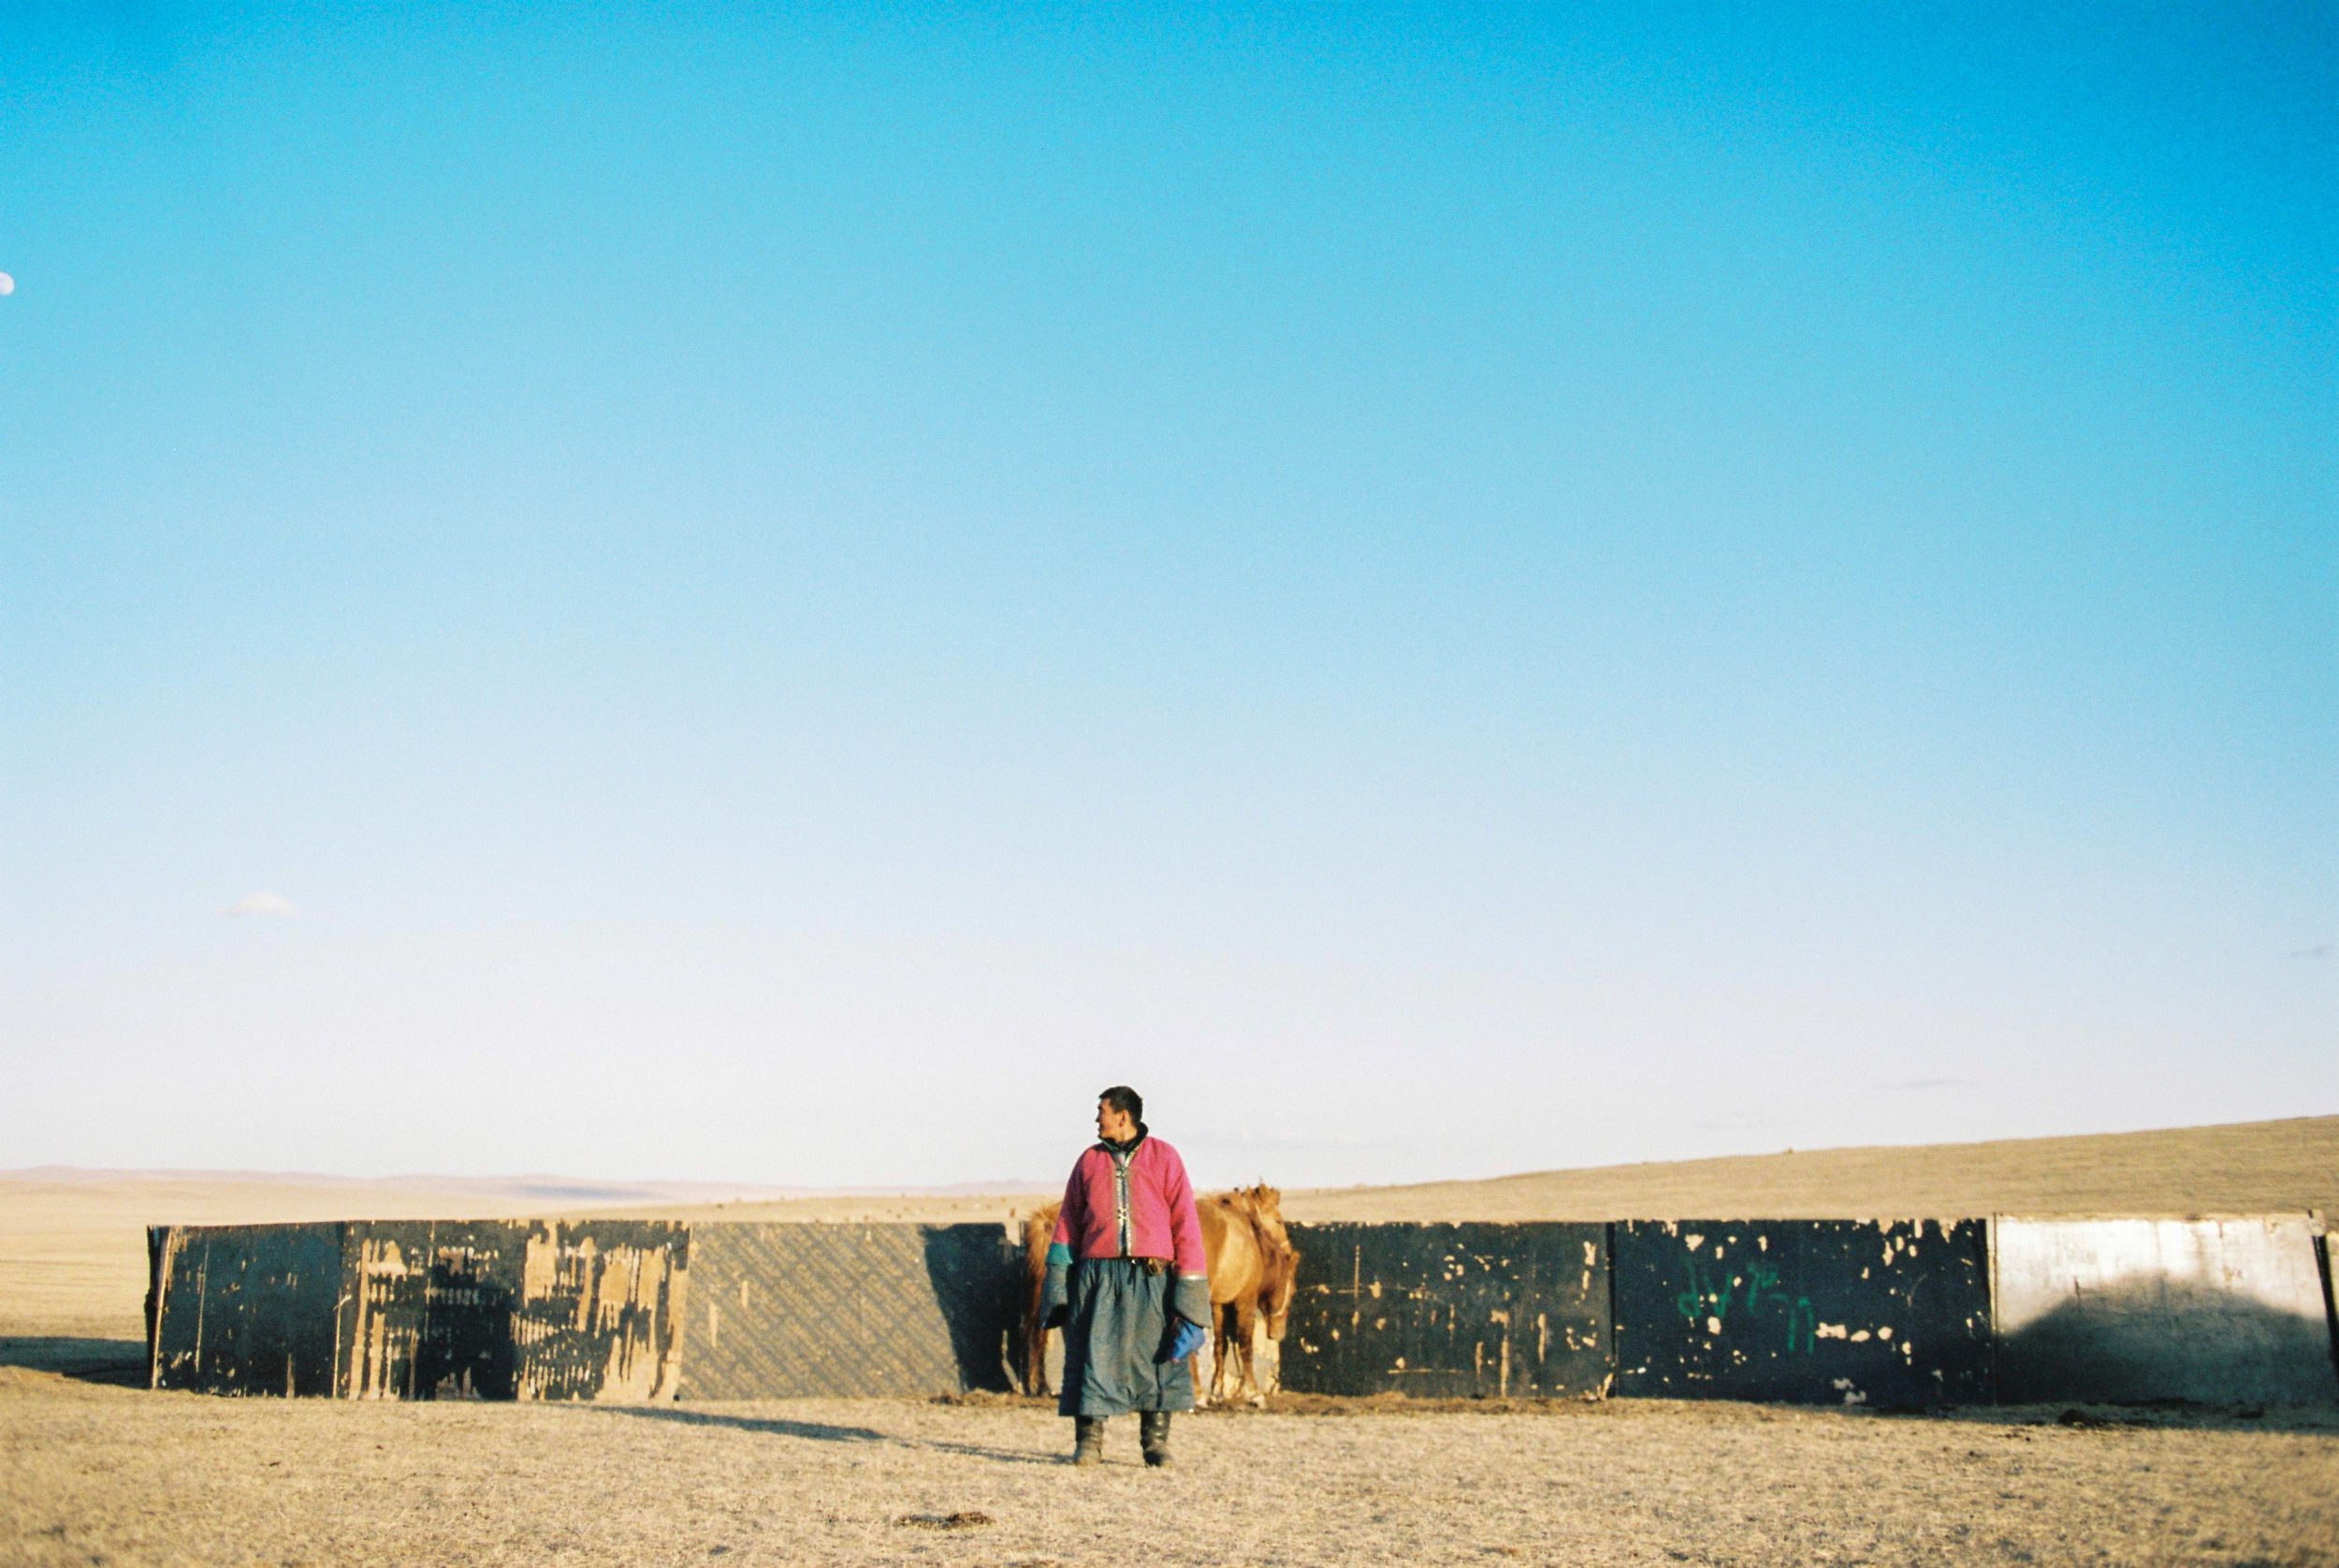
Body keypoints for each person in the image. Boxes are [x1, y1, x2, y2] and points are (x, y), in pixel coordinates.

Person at [1040, 1085, 1211, 1466]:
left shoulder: (1165, 1157)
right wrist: (1058, 1280)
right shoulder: (1089, 1161)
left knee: (1158, 1359)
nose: (1096, 1119)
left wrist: (1190, 1287)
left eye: (1101, 1111)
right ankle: (1089, 1443)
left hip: (1152, 1280)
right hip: (1098, 1279)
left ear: (1122, 1116)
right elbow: (1068, 1222)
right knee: (1093, 1356)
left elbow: (1185, 1222)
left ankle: (1155, 1445)